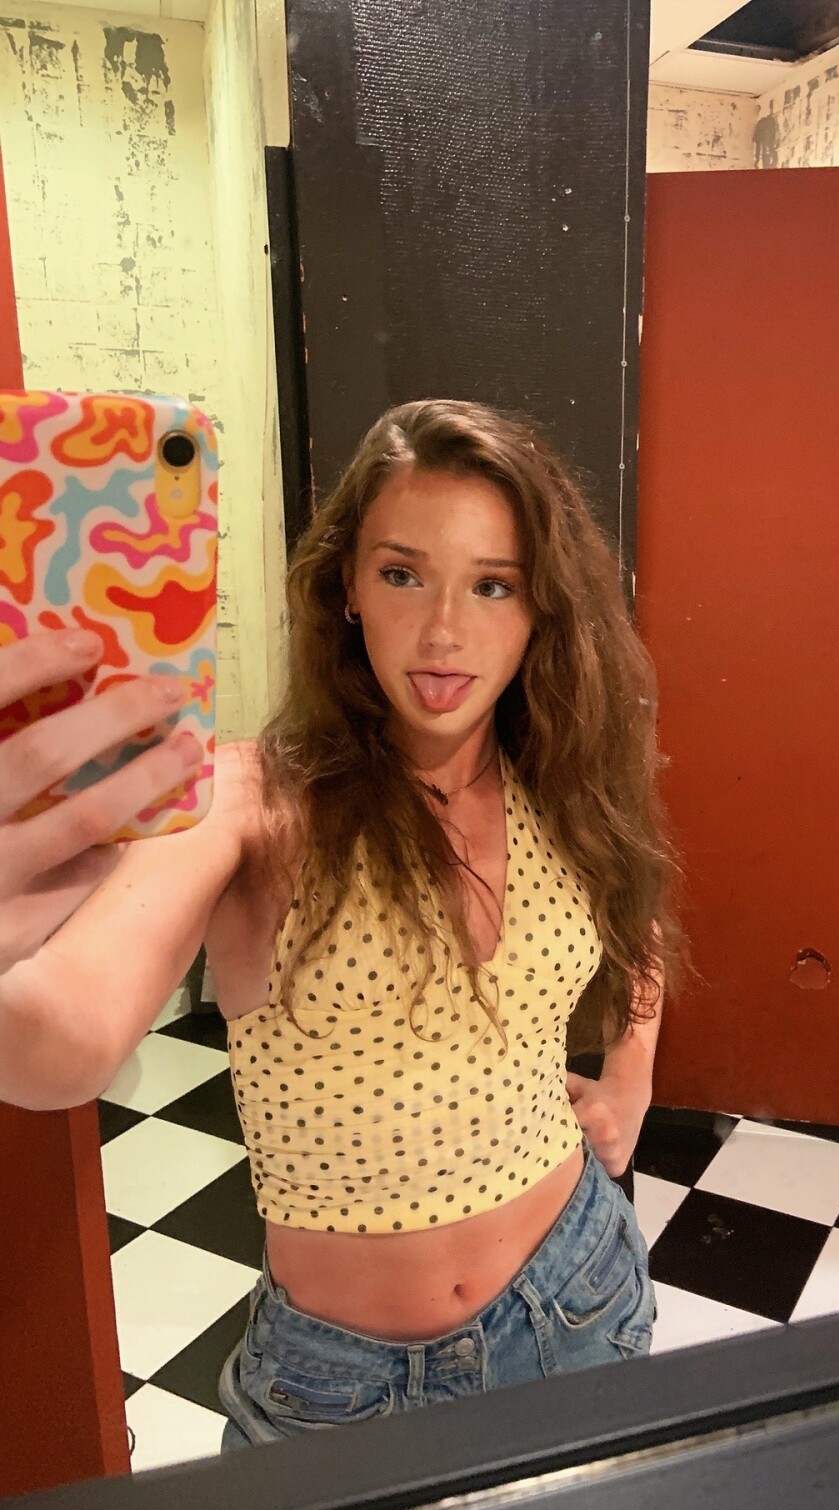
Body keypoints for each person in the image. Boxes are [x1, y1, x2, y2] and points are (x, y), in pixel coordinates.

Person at [0, 399, 689, 1448]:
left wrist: (630, 1078)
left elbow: (639, 913)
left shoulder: (562, 780)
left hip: (579, 1293)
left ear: (541, 607)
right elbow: (60, 1045)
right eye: (403, 573)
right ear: (349, 589)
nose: (445, 630)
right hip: (339, 1386)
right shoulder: (253, 805)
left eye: (493, 585)